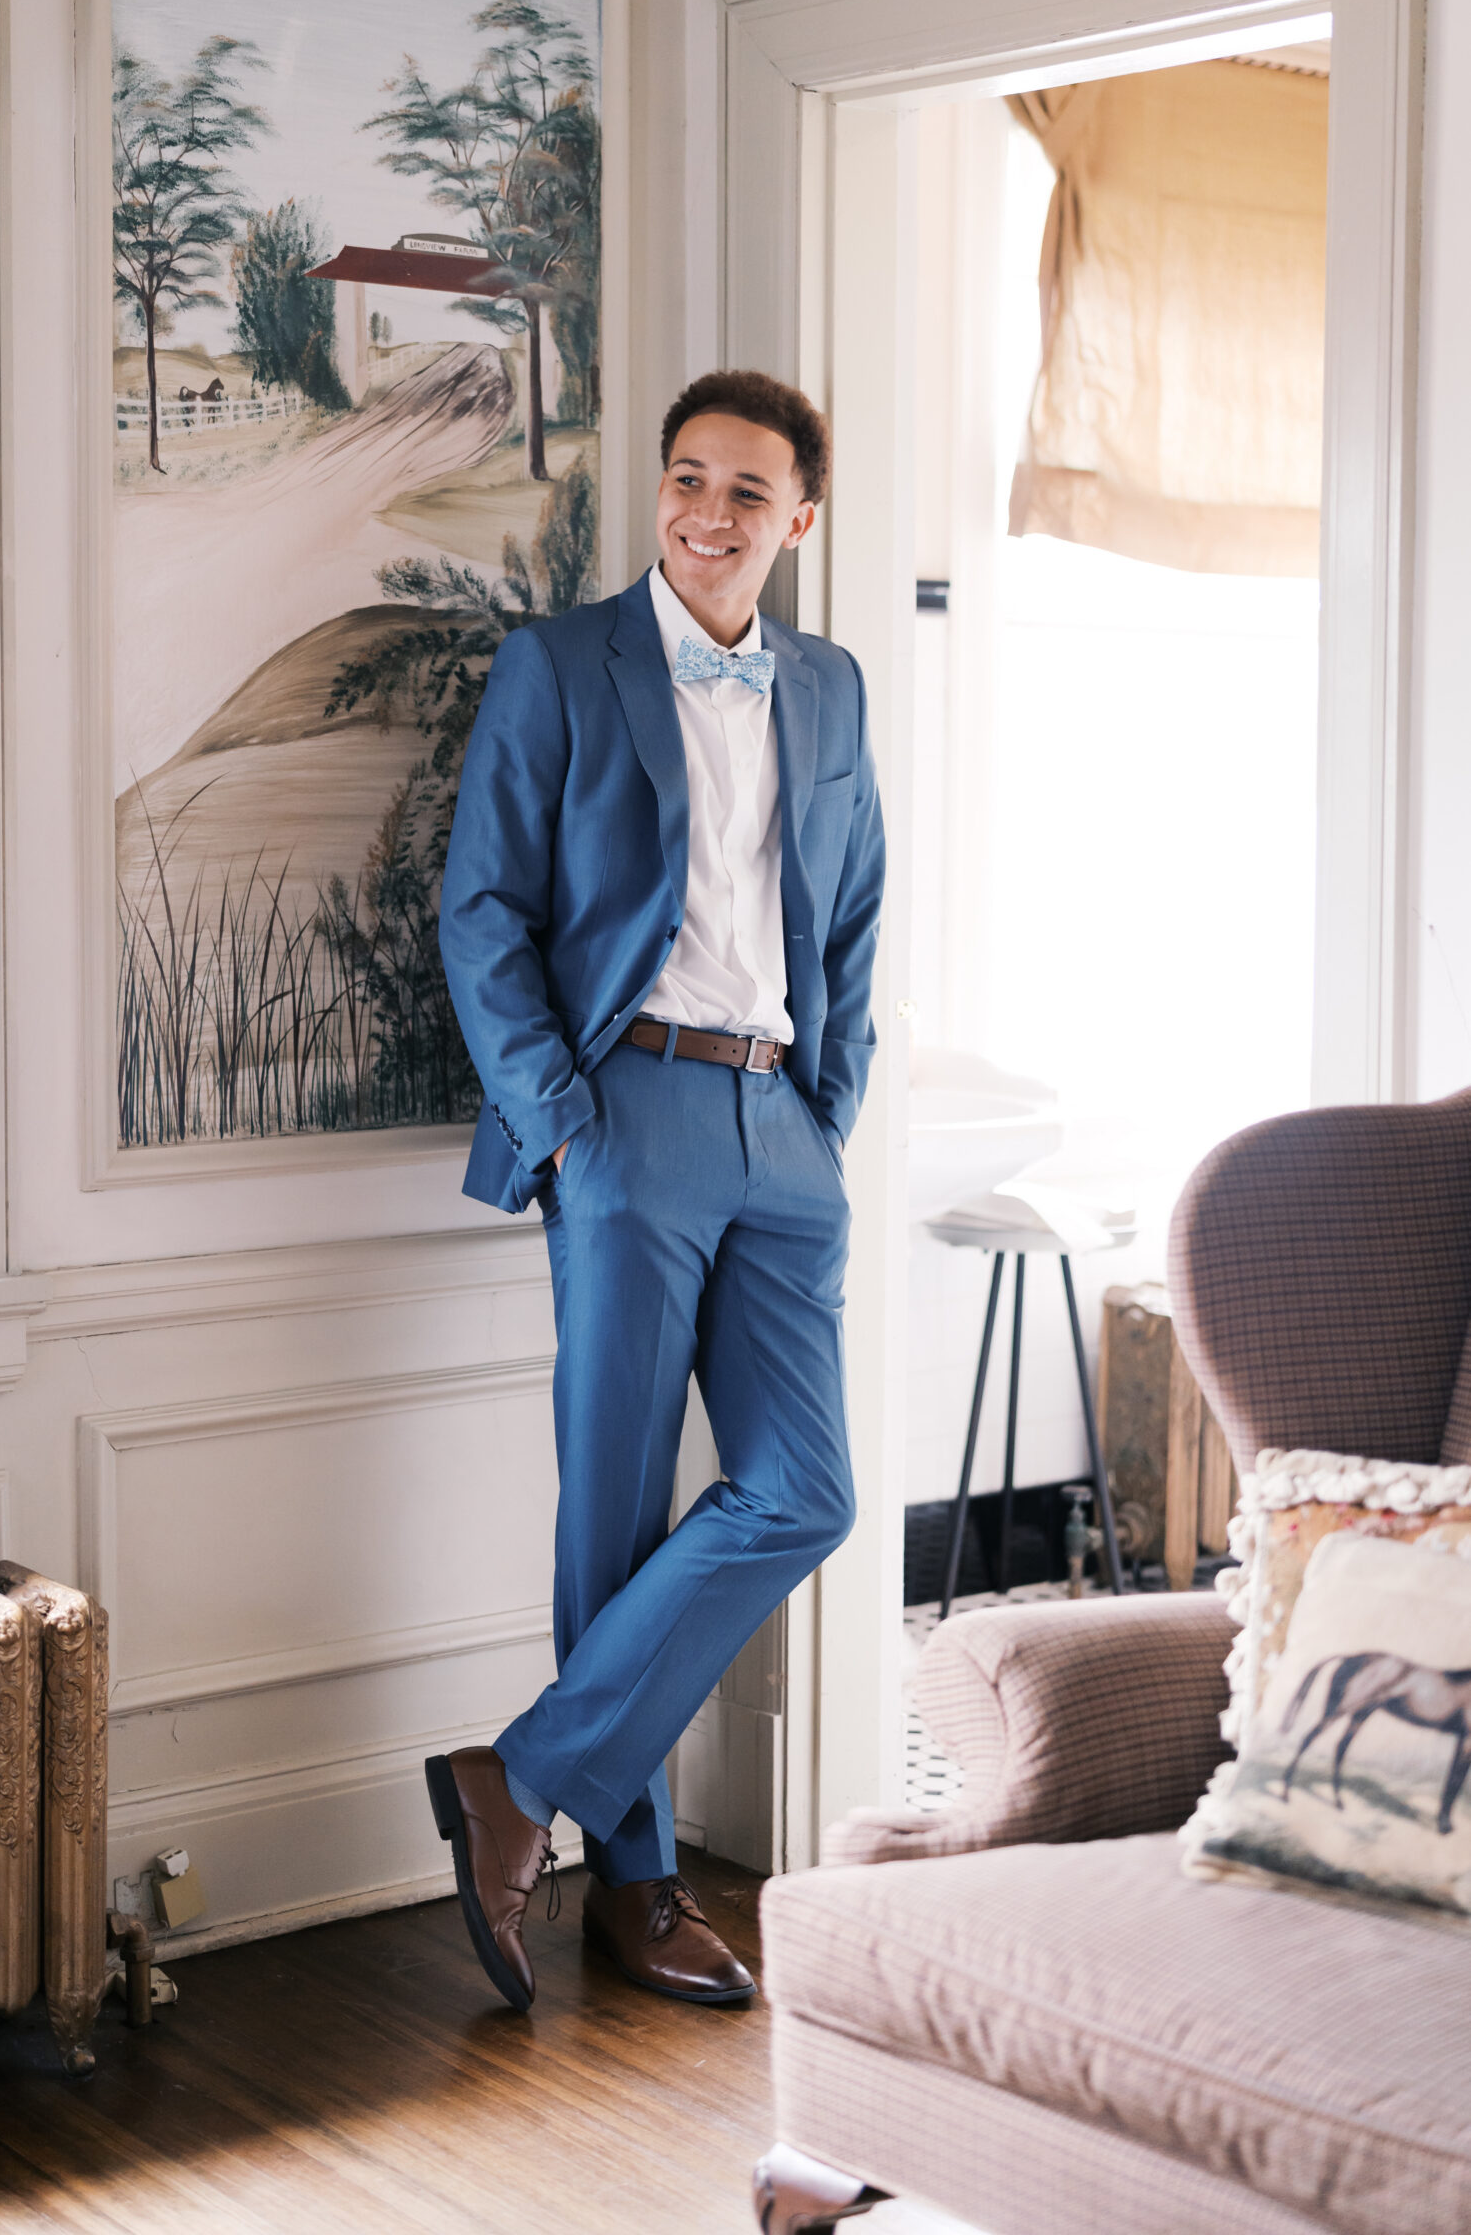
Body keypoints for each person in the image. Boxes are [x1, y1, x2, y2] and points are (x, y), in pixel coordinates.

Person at [426, 369, 884, 2011]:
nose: (704, 512)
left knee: (803, 1491)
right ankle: (639, 1888)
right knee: (612, 1512)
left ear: (798, 520)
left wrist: (826, 1115)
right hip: (623, 1116)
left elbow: (848, 924)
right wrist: (561, 1120)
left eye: (745, 492)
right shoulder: (561, 665)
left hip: (782, 1135)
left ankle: (521, 1779)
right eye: (686, 479)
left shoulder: (828, 687)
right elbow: (480, 909)